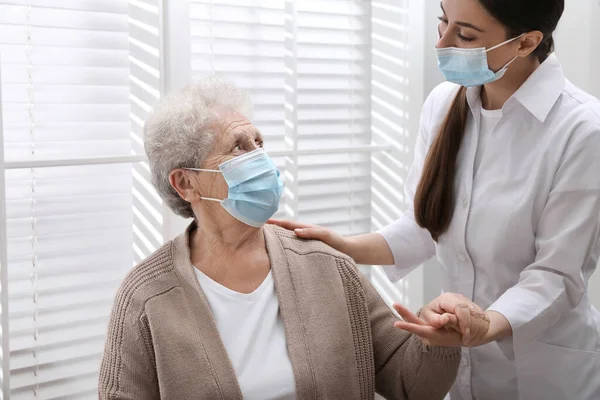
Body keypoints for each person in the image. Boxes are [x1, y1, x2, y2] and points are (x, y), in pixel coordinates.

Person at [271, 0, 600, 399]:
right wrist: (343, 246)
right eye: (442, 22)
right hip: (461, 367)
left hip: (548, 374)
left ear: (526, 42)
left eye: (465, 35)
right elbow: (425, 226)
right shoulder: (443, 103)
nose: (442, 43)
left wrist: (486, 324)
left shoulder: (583, 130)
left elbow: (557, 274)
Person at [98, 77, 463, 400]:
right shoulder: (146, 297)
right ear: (185, 183)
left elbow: (411, 384)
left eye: (259, 142)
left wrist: (438, 341)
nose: (262, 159)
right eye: (239, 147)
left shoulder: (325, 265)